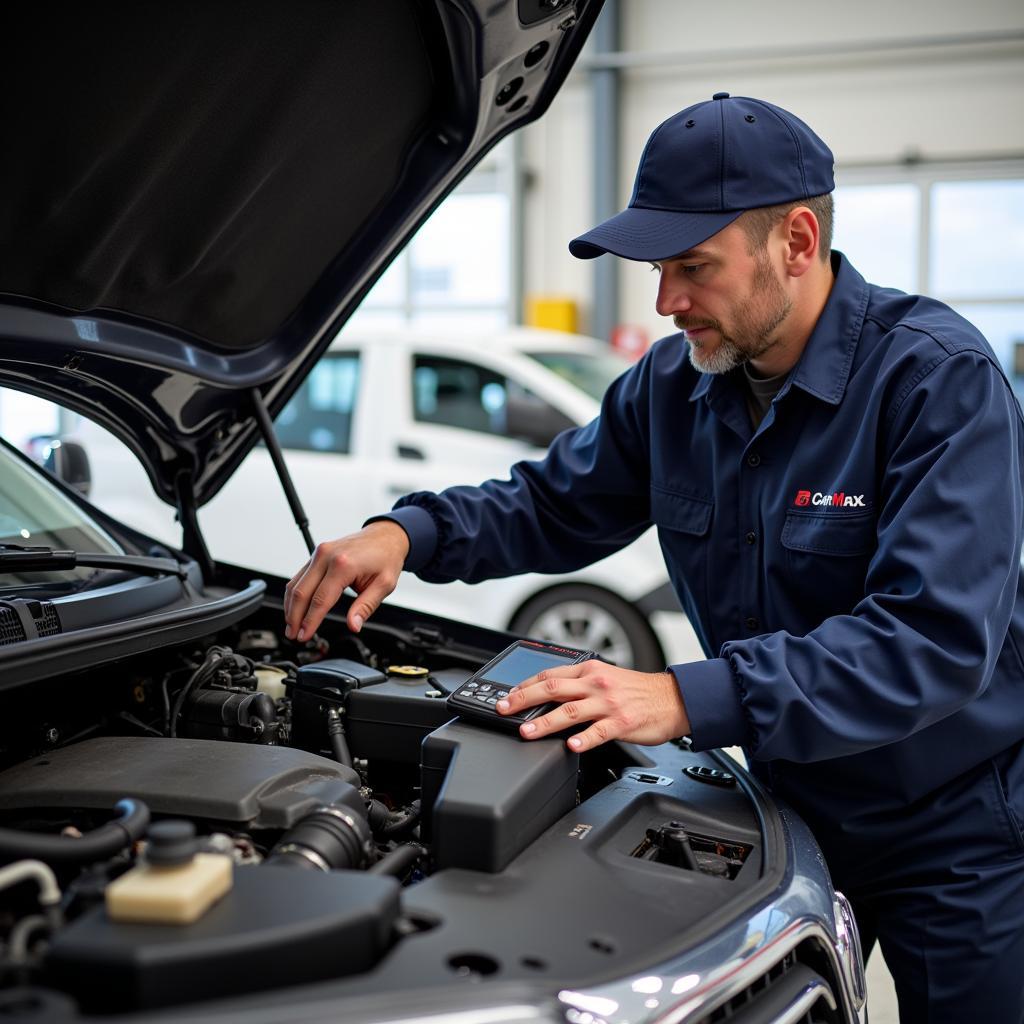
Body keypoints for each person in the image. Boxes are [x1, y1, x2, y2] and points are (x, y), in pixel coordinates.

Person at [284, 94, 1024, 1021]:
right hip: (783, 811)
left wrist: (682, 697)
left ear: (797, 240)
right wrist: (408, 533)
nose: (667, 301)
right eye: (658, 270)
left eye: (694, 267)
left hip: (951, 831)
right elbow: (553, 503)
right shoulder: (674, 387)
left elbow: (931, 638)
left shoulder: (937, 381)